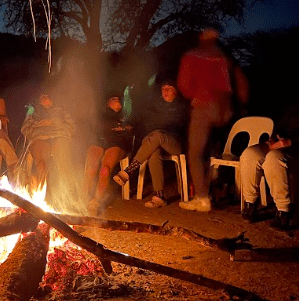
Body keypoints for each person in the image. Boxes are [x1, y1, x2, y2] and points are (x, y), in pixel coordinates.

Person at [177, 28, 249, 212]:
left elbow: (183, 83)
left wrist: (193, 95)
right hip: (227, 110)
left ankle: (202, 198)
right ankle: (230, 192)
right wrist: (240, 106)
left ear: (201, 37)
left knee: (195, 153)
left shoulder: (193, 55)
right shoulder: (226, 57)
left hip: (204, 108)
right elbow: (242, 84)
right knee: (220, 153)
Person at [113, 80, 188, 208]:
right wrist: (128, 125)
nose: (165, 92)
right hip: (156, 142)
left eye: (169, 88)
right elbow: (142, 121)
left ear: (176, 90)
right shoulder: (155, 106)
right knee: (154, 151)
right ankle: (159, 196)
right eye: (163, 88)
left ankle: (128, 171)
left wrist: (161, 127)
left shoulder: (182, 106)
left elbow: (179, 126)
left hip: (175, 144)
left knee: (157, 135)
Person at [240, 101, 299, 230]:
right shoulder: (295, 107)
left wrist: (291, 141)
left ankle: (284, 211)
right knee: (249, 154)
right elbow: (281, 125)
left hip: (295, 147)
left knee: (273, 158)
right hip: (281, 143)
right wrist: (273, 139)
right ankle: (250, 203)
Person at [20, 91, 77, 209]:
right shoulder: (32, 111)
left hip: (59, 136)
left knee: (63, 163)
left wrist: (54, 122)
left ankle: (68, 199)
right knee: (41, 165)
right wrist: (37, 128)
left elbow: (72, 126)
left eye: (47, 96)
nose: (45, 99)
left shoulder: (61, 110)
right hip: (40, 137)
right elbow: (25, 128)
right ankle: (41, 201)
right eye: (42, 97)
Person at [83, 93, 133, 216]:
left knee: (105, 170)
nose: (117, 100)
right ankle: (83, 198)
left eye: (118, 98)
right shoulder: (101, 114)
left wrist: (122, 128)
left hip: (117, 143)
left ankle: (95, 202)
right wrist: (119, 127)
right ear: (107, 103)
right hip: (99, 141)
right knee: (91, 168)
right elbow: (96, 127)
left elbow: (133, 128)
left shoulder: (127, 114)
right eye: (113, 98)